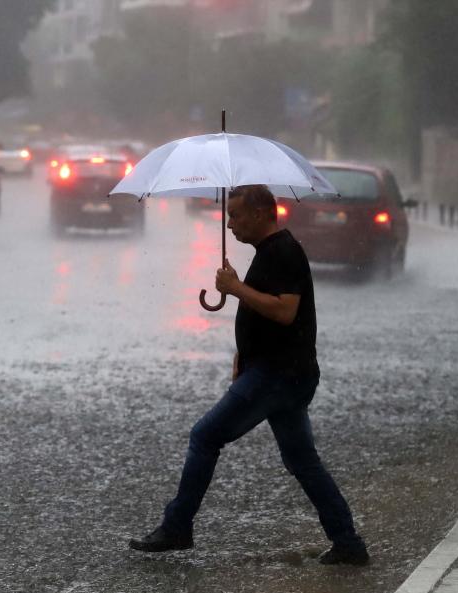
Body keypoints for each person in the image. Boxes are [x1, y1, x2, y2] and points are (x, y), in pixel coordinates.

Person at [129, 184, 369, 566]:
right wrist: (245, 350)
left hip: (278, 375)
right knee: (302, 460)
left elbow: (285, 311)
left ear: (260, 213)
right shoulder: (269, 252)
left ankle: (177, 527)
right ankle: (347, 542)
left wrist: (237, 288)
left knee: (204, 436)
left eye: (236, 215)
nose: (230, 224)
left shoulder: (284, 251)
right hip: (279, 371)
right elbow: (268, 315)